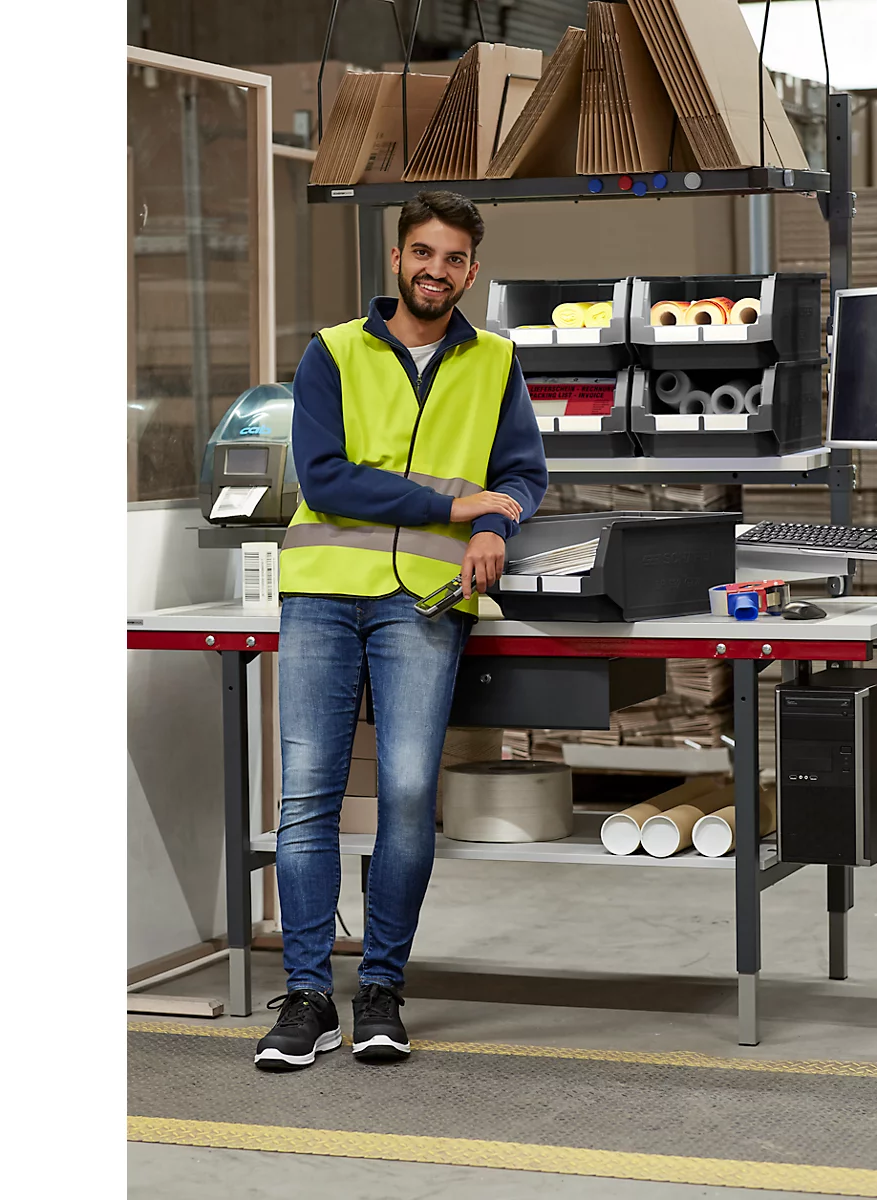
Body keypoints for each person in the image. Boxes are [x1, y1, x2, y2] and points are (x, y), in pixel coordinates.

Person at [254, 191, 548, 1071]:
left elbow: (521, 472)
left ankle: (380, 991)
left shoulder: (496, 362)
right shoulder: (332, 353)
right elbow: (327, 476)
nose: (436, 269)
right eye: (423, 252)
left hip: (422, 598)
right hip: (323, 593)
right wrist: (454, 504)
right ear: (397, 259)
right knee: (306, 796)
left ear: (471, 269)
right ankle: (308, 997)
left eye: (454, 258)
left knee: (411, 794)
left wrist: (497, 525)